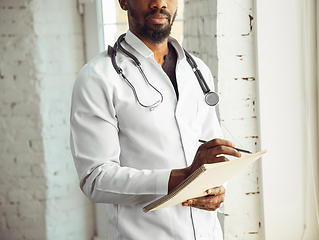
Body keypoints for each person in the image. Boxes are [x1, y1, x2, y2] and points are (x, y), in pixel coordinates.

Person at [70, 0, 241, 239]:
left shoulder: (197, 70)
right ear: (123, 2)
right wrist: (182, 177)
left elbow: (212, 155)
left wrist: (217, 191)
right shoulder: (98, 76)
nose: (159, 3)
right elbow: (95, 179)